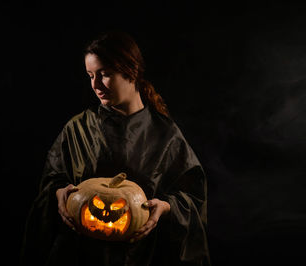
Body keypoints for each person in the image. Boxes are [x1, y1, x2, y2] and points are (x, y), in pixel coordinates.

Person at [20, 31, 211, 266]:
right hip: (81, 255)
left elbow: (191, 196)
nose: (95, 85)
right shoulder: (78, 128)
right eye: (90, 76)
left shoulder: (166, 135)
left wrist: (166, 207)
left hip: (141, 257)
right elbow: (53, 180)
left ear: (131, 71)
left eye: (104, 74)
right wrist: (58, 192)